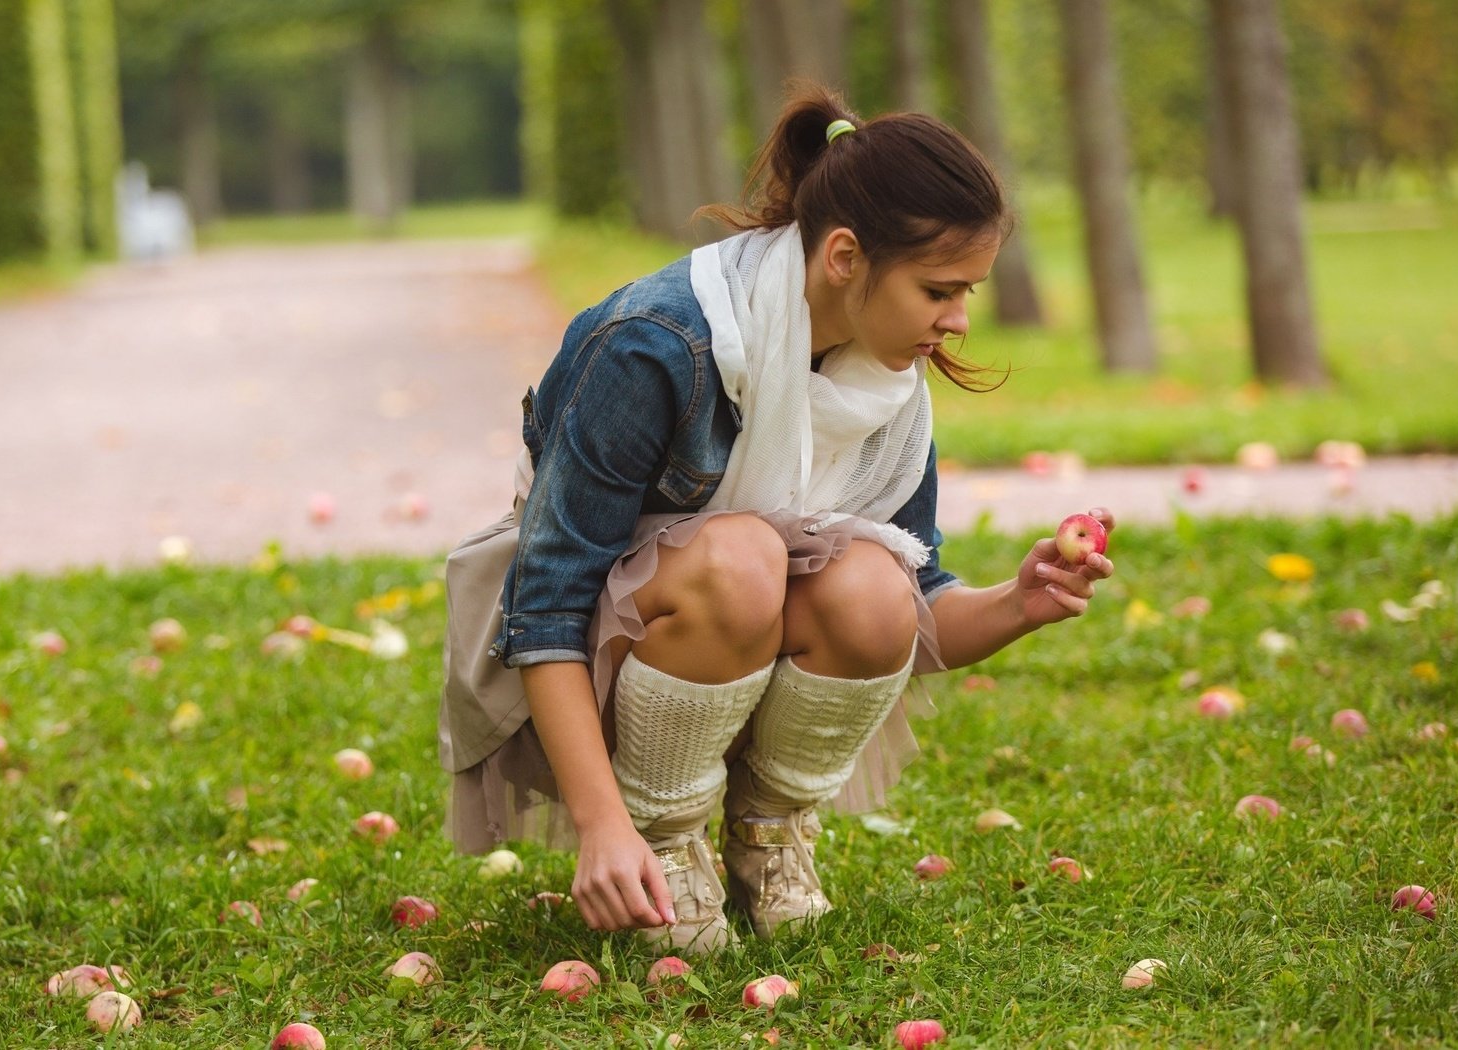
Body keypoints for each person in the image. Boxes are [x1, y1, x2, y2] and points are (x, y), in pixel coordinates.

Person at [440, 83, 1115, 955]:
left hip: (725, 645)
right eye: (940, 290)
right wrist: (602, 823)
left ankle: (769, 839)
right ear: (843, 256)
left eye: (970, 291)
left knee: (878, 581)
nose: (958, 322)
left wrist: (1018, 603)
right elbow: (547, 605)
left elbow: (915, 605)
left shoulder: (884, 375)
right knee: (745, 558)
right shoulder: (658, 343)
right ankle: (661, 841)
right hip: (588, 659)